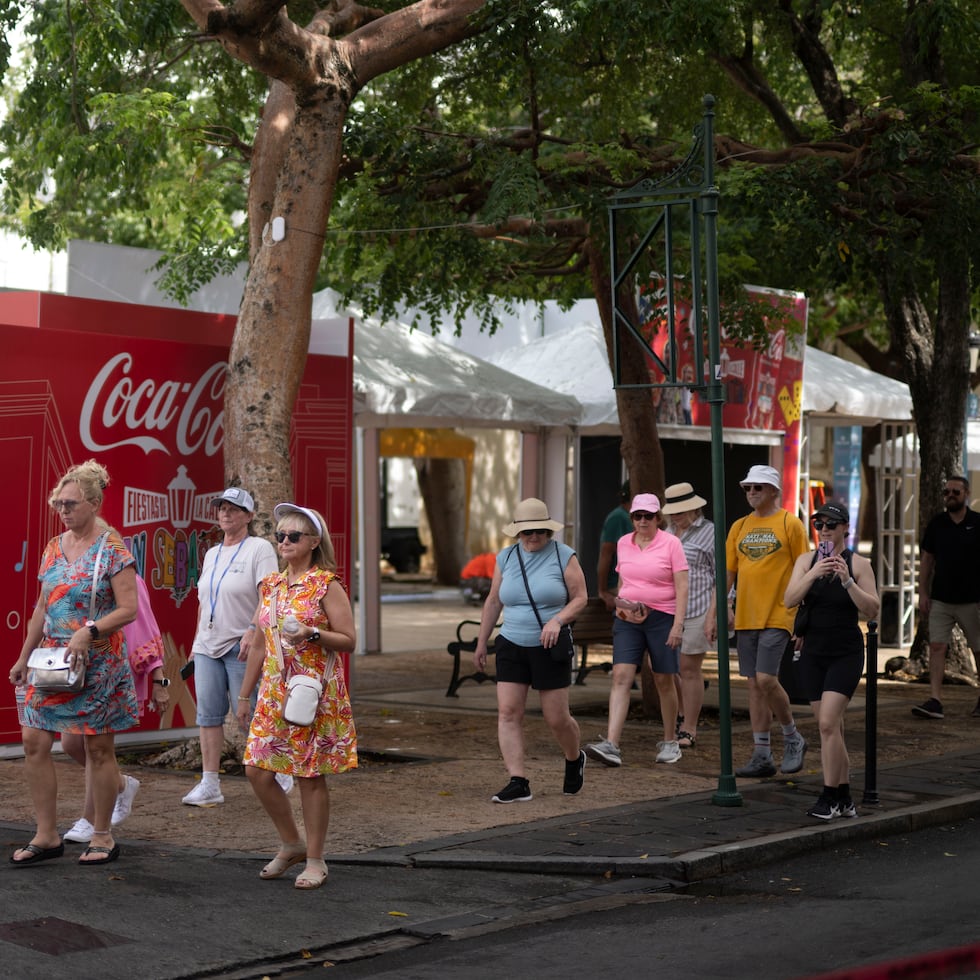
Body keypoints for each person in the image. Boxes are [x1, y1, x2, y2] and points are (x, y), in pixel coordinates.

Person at [8, 460, 139, 866]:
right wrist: (23, 656)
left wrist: (89, 631)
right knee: (33, 740)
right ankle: (46, 835)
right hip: (52, 656)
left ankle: (102, 835)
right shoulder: (52, 547)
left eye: (70, 503)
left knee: (98, 748)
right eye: (58, 504)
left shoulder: (113, 547)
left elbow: (129, 609)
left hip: (97, 660)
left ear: (94, 502)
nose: (63, 511)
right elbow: (41, 608)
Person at [236, 502, 357, 890]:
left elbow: (349, 640)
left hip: (313, 691)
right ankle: (291, 842)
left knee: (309, 775)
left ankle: (317, 858)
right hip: (273, 691)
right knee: (256, 769)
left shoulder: (326, 583)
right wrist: (243, 696)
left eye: (293, 536)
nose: (284, 541)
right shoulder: (271, 584)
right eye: (280, 535)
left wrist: (312, 633)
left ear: (313, 542)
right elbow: (257, 643)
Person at [473, 497, 588, 803]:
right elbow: (494, 601)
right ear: (517, 533)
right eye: (527, 532)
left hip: (549, 645)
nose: (533, 536)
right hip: (511, 641)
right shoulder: (506, 558)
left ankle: (574, 757)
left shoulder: (564, 556)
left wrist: (557, 620)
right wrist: (482, 641)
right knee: (508, 712)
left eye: (539, 530)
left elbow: (580, 598)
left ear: (548, 531)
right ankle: (518, 780)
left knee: (556, 717)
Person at [710, 464, 809, 778]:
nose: (752, 493)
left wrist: (804, 618)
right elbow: (728, 572)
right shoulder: (739, 526)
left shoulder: (790, 524)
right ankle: (762, 754)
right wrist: (719, 609)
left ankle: (793, 737)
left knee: (766, 679)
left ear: (774, 491)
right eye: (748, 488)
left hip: (779, 613)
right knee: (754, 686)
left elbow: (804, 569)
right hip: (746, 614)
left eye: (759, 488)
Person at [183, 487, 278, 806]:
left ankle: (277, 769)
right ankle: (210, 783)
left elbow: (269, 595)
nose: (225, 513)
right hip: (208, 645)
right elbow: (203, 600)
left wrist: (253, 630)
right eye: (221, 507)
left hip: (242, 645)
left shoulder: (259, 548)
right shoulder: (212, 553)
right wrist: (196, 641)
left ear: (249, 516)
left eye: (234, 509)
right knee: (207, 715)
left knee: (249, 713)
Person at [785, 502, 879, 819]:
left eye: (831, 525)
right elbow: (789, 600)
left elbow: (873, 609)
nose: (824, 530)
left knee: (826, 724)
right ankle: (845, 797)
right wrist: (814, 572)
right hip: (814, 653)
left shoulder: (858, 563)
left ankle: (827, 799)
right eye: (820, 525)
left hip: (846, 652)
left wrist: (846, 580)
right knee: (831, 729)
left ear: (845, 529)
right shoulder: (806, 560)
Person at [61, 575, 170, 843]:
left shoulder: (127, 576)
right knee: (70, 743)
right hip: (80, 668)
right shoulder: (77, 575)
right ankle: (120, 784)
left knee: (92, 745)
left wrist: (158, 680)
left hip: (114, 667)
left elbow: (145, 625)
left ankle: (90, 819)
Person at [585, 492, 688, 767]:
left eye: (648, 516)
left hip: (662, 617)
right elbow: (623, 581)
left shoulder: (671, 544)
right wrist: (622, 605)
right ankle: (611, 743)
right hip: (628, 618)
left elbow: (682, 587)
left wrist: (678, 625)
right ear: (632, 518)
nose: (643, 521)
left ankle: (670, 741)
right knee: (620, 675)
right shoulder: (623, 543)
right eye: (638, 516)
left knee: (663, 678)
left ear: (658, 518)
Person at [912, 475, 980, 720]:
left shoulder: (977, 522)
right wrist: (923, 592)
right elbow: (927, 560)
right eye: (947, 492)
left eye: (956, 492)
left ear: (966, 494)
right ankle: (935, 700)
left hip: (972, 600)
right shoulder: (937, 524)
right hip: (941, 599)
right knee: (937, 646)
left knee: (978, 648)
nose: (950, 496)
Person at [662, 482, 715, 748]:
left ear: (694, 508)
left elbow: (723, 577)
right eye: (672, 511)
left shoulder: (710, 533)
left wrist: (716, 613)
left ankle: (689, 728)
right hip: (669, 610)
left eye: (680, 511)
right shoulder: (667, 533)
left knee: (689, 668)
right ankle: (683, 712)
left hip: (698, 608)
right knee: (662, 667)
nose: (675, 516)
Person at [597, 480, 633, 611]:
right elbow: (606, 553)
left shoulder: (634, 518)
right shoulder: (618, 517)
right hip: (619, 585)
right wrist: (602, 590)